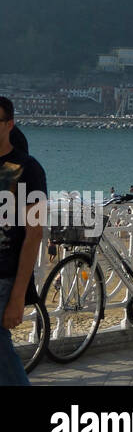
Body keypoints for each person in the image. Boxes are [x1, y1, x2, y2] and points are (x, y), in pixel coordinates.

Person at [0, 98, 45, 386]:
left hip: (3, 274)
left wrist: (18, 297)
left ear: (9, 124)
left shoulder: (28, 169)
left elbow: (34, 234)